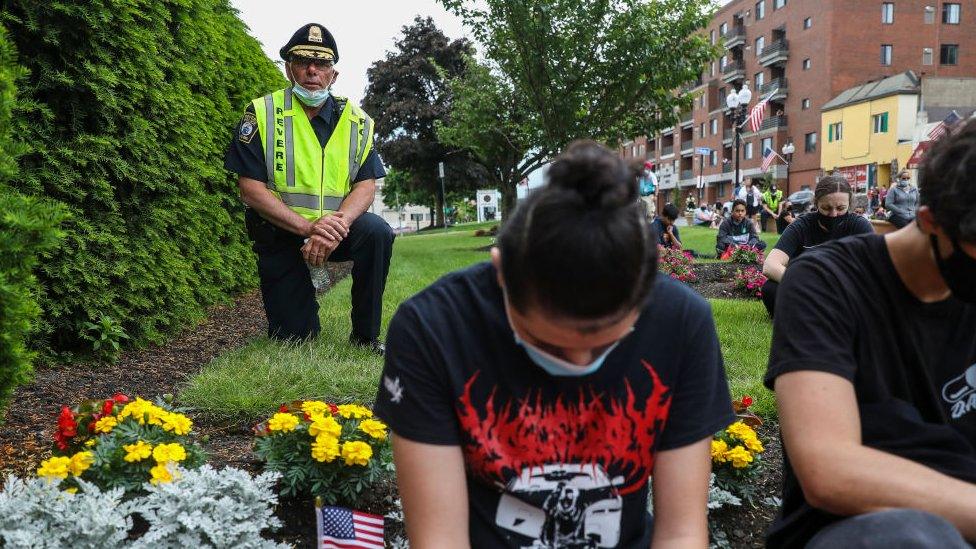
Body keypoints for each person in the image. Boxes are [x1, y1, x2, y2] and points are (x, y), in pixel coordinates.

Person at [374, 141, 734, 547]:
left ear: (646, 291)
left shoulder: (681, 322)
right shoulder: (433, 329)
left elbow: (681, 532)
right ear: (502, 273)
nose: (580, 363)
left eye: (607, 345)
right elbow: (440, 539)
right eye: (549, 344)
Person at [763, 117, 976, 549]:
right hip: (863, 529)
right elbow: (829, 472)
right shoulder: (826, 281)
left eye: (841, 209)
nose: (835, 216)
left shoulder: (857, 227)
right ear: (931, 221)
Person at [224, 23, 394, 353]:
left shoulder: (358, 121)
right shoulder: (261, 113)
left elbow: (366, 186)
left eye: (322, 64)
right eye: (302, 61)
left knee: (377, 232)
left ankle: (365, 337)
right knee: (295, 340)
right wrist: (308, 228)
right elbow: (250, 190)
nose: (312, 70)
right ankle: (297, 316)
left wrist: (336, 225)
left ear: (334, 74)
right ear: (289, 69)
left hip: (335, 231)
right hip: (282, 234)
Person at [760, 175, 873, 316]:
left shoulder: (859, 225)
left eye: (841, 208)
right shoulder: (801, 226)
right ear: (816, 203)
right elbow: (770, 265)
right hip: (806, 287)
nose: (833, 214)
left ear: (849, 204)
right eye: (826, 208)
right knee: (771, 289)